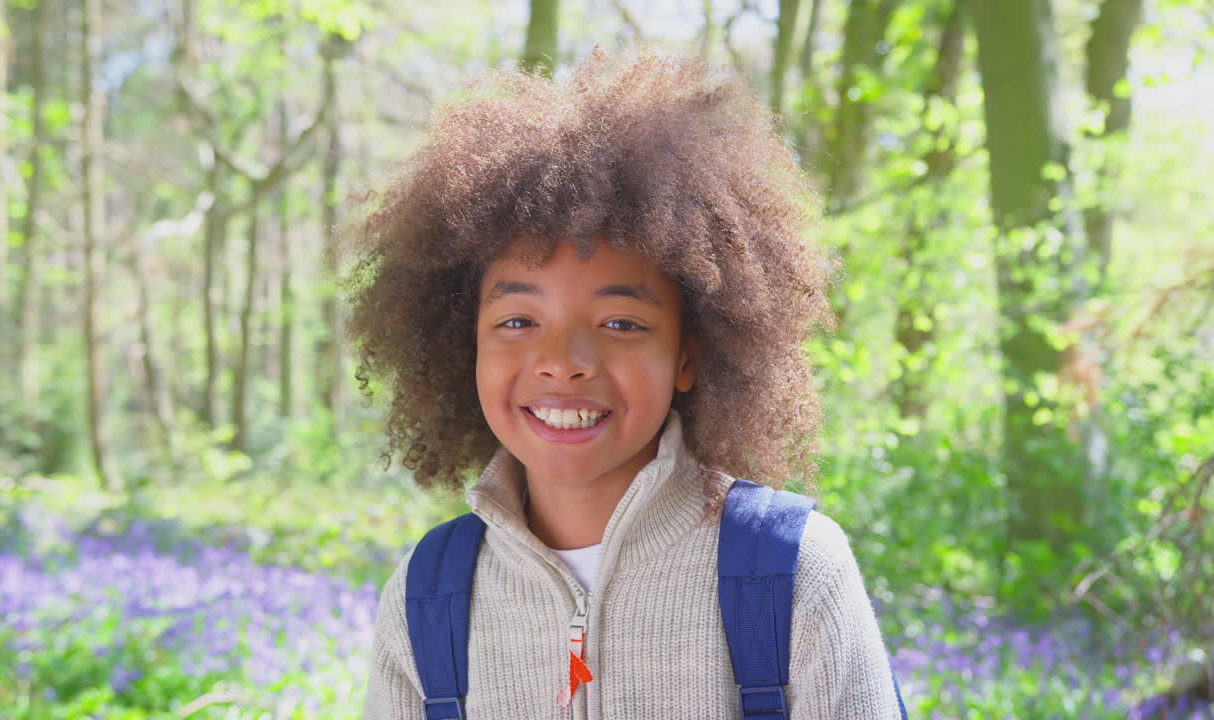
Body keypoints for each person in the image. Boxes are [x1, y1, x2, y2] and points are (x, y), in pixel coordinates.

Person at [348, 47, 905, 719]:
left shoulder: (792, 573)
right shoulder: (427, 598)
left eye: (620, 323)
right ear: (464, 346)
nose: (562, 361)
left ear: (689, 355)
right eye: (518, 320)